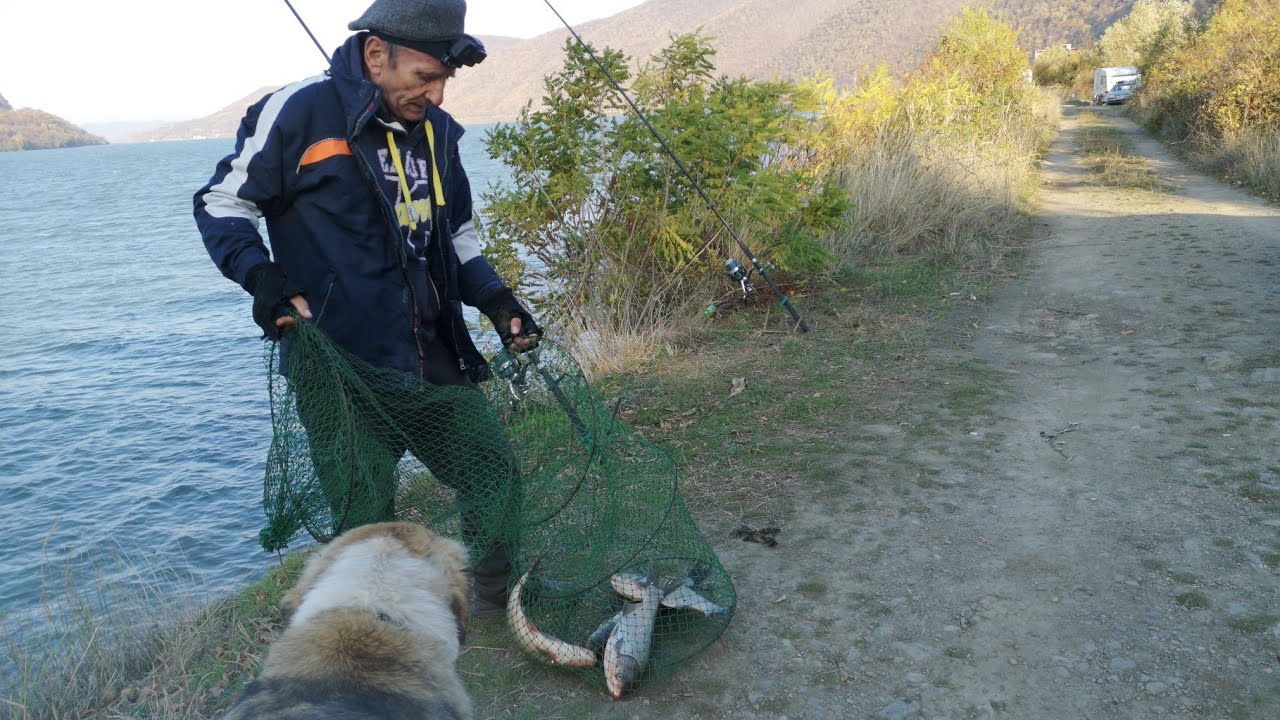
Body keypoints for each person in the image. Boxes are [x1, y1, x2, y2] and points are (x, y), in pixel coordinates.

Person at [193, 0, 538, 617]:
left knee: (489, 465)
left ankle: (491, 598)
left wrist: (494, 297)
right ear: (377, 55)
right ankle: (373, 626)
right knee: (364, 511)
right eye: (424, 78)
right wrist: (261, 276)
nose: (435, 95)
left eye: (443, 80)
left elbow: (456, 233)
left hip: (428, 350)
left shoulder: (438, 133)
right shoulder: (301, 111)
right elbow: (223, 201)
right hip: (337, 362)